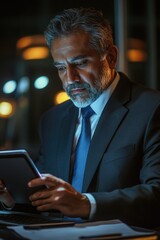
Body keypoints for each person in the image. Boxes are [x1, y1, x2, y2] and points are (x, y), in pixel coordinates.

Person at [1, 7, 160, 229]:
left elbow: (156, 193)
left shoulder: (152, 108)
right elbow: (46, 198)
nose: (70, 79)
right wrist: (13, 198)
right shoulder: (52, 120)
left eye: (80, 63)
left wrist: (87, 204)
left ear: (111, 57)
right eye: (61, 68)